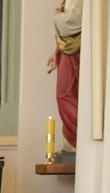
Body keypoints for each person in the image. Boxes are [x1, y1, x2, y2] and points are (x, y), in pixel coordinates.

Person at [46, 0, 82, 151]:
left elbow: (76, 19)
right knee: (63, 95)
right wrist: (57, 53)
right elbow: (66, 36)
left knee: (69, 95)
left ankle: (80, 138)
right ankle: (74, 139)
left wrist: (56, 17)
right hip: (68, 52)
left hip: (79, 52)